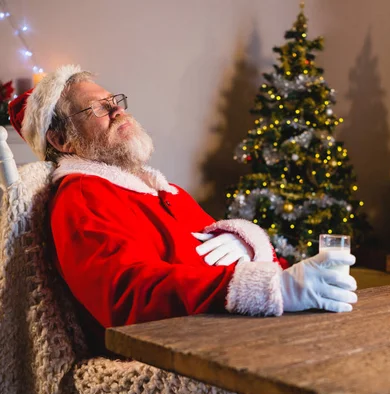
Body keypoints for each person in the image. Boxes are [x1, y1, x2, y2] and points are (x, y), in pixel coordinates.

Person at [8, 65, 358, 354]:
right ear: (62, 141)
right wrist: (277, 289)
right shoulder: (83, 197)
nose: (117, 109)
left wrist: (252, 247)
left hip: (228, 334)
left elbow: (214, 250)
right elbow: (127, 295)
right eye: (97, 108)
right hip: (173, 355)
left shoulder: (163, 190)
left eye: (113, 100)